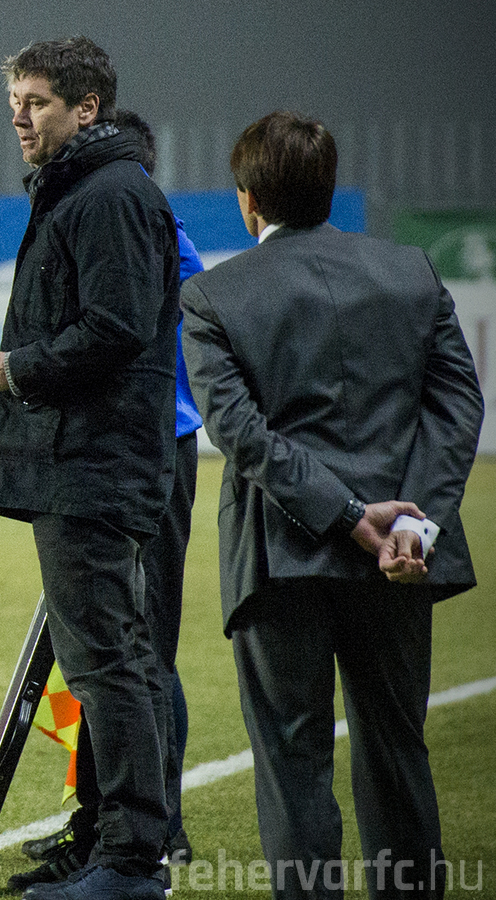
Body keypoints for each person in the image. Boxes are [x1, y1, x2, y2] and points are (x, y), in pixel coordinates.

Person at [181, 111, 482, 900]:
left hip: (281, 555)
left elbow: (239, 433)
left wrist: (348, 516)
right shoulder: (410, 272)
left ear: (248, 199)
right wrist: (410, 523)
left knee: (293, 762)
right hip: (401, 562)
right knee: (397, 748)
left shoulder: (213, 295)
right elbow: (457, 407)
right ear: (329, 187)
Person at [0, 37, 179, 900]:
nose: (19, 116)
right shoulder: (84, 189)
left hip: (94, 465)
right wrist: (14, 389)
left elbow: (116, 329)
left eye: (37, 101)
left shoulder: (111, 194)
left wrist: (17, 371)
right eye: (14, 100)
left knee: (107, 664)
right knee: (109, 659)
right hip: (80, 457)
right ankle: (103, 843)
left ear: (88, 108)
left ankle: (129, 860)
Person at [12, 108, 202, 892]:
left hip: (154, 445)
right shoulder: (119, 216)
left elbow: (148, 330)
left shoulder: (143, 224)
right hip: (118, 446)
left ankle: (156, 832)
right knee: (107, 645)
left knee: (137, 647)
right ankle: (100, 828)